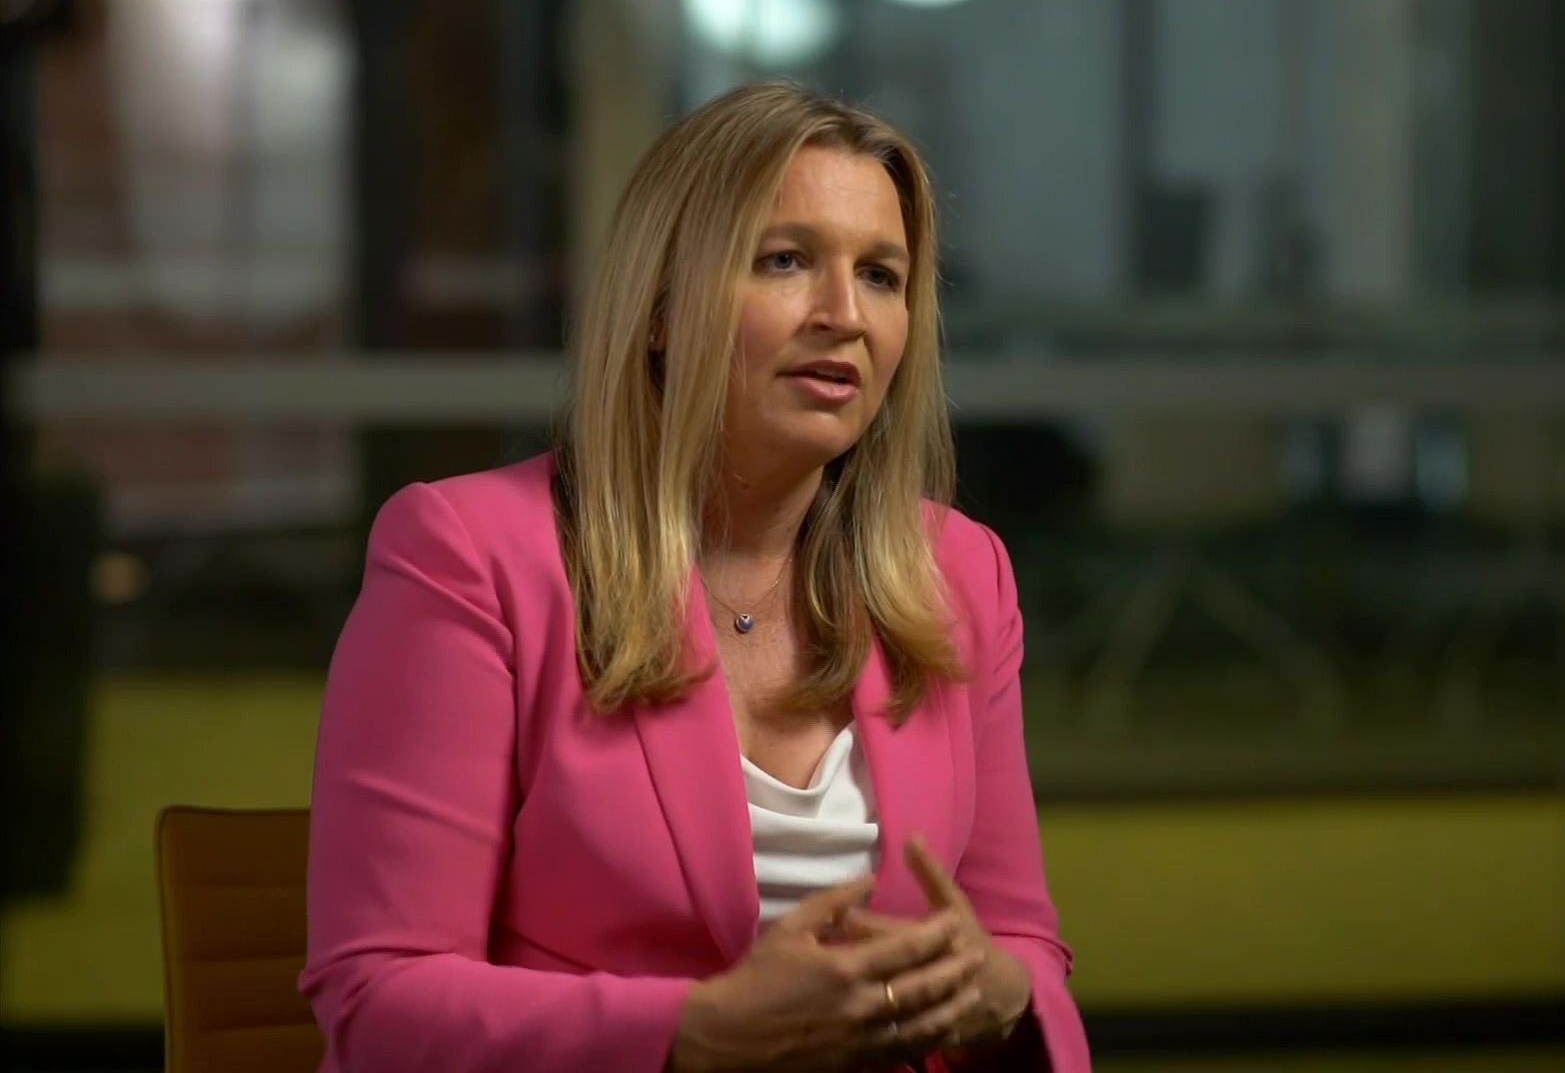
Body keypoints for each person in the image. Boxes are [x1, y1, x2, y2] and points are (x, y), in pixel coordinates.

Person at [299, 82, 1091, 1073]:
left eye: (881, 276)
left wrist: (994, 989)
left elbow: (1021, 945)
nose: (845, 315)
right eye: (786, 260)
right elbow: (380, 1001)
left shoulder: (959, 572)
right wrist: (697, 1033)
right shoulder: (467, 555)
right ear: (662, 310)